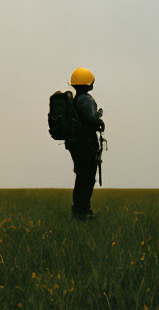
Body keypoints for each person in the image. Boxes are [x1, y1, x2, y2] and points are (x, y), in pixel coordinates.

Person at [65, 67, 105, 220]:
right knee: (87, 178)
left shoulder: (75, 100)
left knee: (81, 176)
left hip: (75, 144)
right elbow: (91, 120)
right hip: (86, 144)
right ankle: (83, 211)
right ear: (88, 84)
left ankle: (78, 210)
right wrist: (98, 118)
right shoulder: (86, 99)